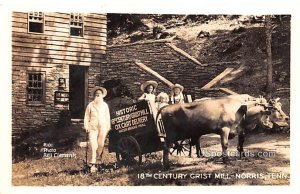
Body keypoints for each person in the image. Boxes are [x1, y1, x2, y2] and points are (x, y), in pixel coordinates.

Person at [84, 86, 111, 173]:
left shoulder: (105, 105)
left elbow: (107, 117)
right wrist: (86, 126)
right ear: (94, 96)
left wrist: (108, 126)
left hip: (103, 126)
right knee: (93, 144)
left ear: (102, 95)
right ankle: (93, 162)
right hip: (93, 127)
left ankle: (99, 161)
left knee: (101, 144)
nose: (97, 96)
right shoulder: (90, 105)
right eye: (96, 94)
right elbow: (86, 116)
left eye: (99, 94)